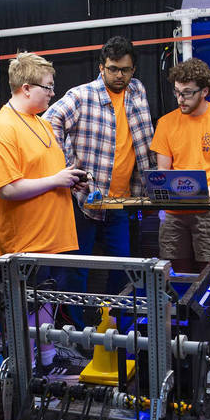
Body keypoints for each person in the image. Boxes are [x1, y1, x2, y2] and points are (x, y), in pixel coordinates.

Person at [0, 52, 87, 373]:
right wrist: (56, 179)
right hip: (28, 241)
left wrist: (68, 180)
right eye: (47, 87)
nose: (52, 93)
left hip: (54, 237)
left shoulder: (40, 123)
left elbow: (43, 174)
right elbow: (8, 189)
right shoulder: (2, 130)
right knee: (28, 310)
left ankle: (47, 360)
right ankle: (28, 371)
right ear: (25, 88)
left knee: (45, 307)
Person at [44, 36, 155, 323]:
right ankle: (79, 331)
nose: (120, 75)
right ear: (101, 67)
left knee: (121, 266)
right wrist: (65, 165)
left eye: (126, 69)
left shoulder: (137, 91)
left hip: (121, 200)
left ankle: (115, 322)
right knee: (77, 269)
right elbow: (49, 121)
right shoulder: (82, 95)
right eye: (113, 69)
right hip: (85, 199)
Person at [150, 58, 210, 273]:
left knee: (209, 275)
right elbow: (163, 170)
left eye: (187, 93)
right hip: (174, 210)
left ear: (204, 91)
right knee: (178, 274)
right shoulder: (165, 123)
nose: (180, 99)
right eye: (176, 92)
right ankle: (182, 309)